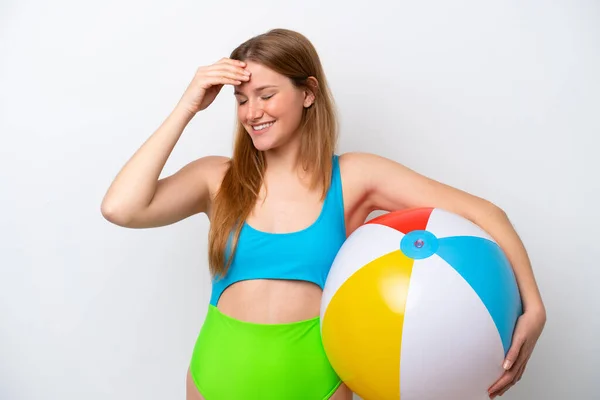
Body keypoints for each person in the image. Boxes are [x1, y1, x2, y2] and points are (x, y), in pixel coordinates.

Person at [101, 28, 546, 400]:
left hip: (317, 381)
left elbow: (486, 213)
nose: (251, 112)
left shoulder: (355, 176)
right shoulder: (216, 179)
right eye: (240, 99)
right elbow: (121, 207)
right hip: (216, 375)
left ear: (308, 93)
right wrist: (187, 106)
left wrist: (533, 308)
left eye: (266, 94)